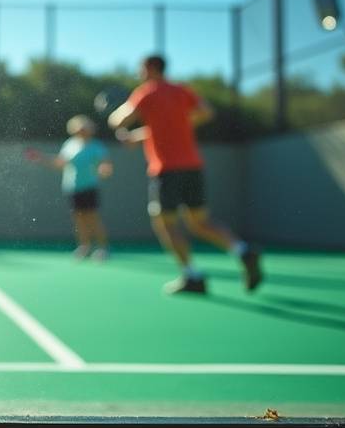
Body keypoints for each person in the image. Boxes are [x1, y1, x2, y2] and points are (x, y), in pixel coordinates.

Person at [108, 55, 262, 294]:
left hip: (166, 169)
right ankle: (242, 250)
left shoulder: (146, 92)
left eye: (141, 68)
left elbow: (118, 120)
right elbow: (207, 112)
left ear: (150, 68)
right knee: (200, 223)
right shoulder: (182, 91)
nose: (139, 72)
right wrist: (175, 123)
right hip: (193, 167)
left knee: (165, 224)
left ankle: (192, 275)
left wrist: (118, 121)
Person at [27, 115, 114, 260]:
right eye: (79, 128)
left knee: (92, 217)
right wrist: (41, 158)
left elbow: (106, 164)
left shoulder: (97, 146)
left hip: (89, 186)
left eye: (85, 128)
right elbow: (60, 163)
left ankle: (103, 248)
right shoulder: (70, 144)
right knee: (78, 218)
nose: (82, 131)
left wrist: (105, 169)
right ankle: (84, 247)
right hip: (72, 187)